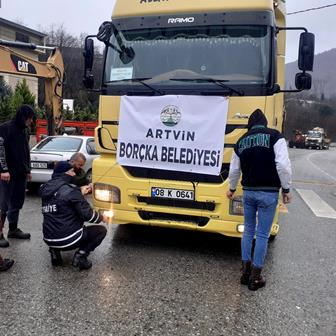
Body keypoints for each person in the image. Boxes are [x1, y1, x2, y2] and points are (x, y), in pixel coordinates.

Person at [226, 109, 292, 291]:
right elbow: (283, 165)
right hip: (269, 193)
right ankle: (256, 277)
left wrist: (232, 189)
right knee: (262, 234)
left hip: (249, 192)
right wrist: (286, 189)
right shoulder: (275, 136)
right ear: (265, 123)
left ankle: (245, 272)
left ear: (250, 125)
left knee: (248, 231)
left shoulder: (241, 142)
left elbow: (234, 171)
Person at [40, 161, 108, 270]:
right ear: (65, 173)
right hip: (68, 239)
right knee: (101, 231)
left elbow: (61, 200)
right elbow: (88, 215)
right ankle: (80, 256)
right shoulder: (71, 191)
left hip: (48, 238)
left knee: (54, 220)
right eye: (72, 171)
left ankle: (54, 254)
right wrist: (102, 217)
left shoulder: (45, 189)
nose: (74, 174)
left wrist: (78, 191)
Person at [0, 104, 35, 248]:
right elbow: (0, 150)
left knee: (16, 202)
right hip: (6, 174)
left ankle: (13, 230)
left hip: (20, 174)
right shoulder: (5, 128)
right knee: (3, 204)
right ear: (23, 117)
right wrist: (3, 169)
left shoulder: (24, 131)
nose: (31, 121)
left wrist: (28, 170)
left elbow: (25, 151)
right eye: (30, 118)